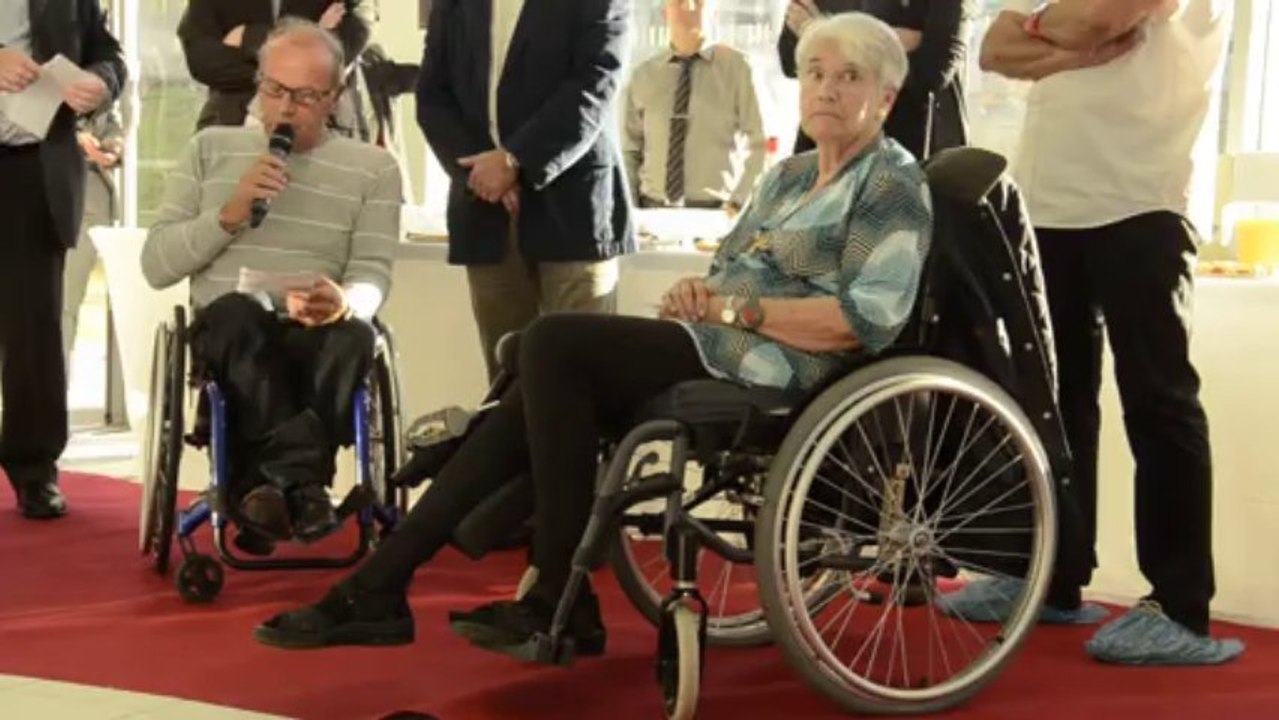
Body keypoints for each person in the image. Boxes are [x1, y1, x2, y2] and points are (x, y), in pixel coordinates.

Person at [252, 13, 931, 657]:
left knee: (549, 345)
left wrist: (733, 313)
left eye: (848, 77)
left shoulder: (891, 184)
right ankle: (410, 586)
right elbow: (729, 270)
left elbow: (865, 319)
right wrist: (703, 294)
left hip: (784, 366)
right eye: (815, 72)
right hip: (718, 343)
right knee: (535, 365)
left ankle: (504, 591)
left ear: (887, 95)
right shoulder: (787, 176)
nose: (826, 89)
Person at [939, 0, 1244, 666]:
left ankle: (1179, 606)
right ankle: (1051, 576)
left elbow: (1102, 18)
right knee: (1053, 401)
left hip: (1140, 198)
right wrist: (1071, 37)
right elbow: (993, 49)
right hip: (1047, 202)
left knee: (1158, 403)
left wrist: (1049, 32)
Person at [141, 19, 402, 555]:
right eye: (275, 90)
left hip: (317, 328)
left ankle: (266, 490)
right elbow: (157, 266)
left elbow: (373, 273)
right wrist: (229, 215)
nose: (285, 109)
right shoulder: (209, 148)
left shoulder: (373, 168)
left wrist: (346, 300)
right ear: (258, 83)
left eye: (305, 96)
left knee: (356, 334)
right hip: (231, 332)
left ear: (335, 96)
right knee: (239, 311)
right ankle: (303, 487)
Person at [416, 0, 634, 383]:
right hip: (485, 209)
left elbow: (596, 80)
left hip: (574, 208)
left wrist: (517, 161)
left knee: (585, 375)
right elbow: (433, 95)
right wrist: (483, 173)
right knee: (506, 378)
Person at [0, 0, 126, 520]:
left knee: (35, 325)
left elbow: (108, 54)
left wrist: (101, 81)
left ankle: (34, 468)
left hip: (33, 169)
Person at [622, 0, 766, 215]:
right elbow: (630, 150)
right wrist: (630, 208)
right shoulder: (644, 75)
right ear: (665, 12)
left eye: (699, 2)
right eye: (679, 1)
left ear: (714, 11)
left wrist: (738, 202)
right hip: (651, 212)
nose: (689, 8)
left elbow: (762, 146)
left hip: (716, 213)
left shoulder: (739, 70)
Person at [779, 0, 974, 159]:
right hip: (823, 146)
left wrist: (818, 32)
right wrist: (890, 43)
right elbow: (789, 60)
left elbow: (932, 72)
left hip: (906, 145)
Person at [178, 0, 373, 130]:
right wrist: (314, 34)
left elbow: (346, 44)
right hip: (229, 124)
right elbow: (202, 61)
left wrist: (250, 36)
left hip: (318, 130)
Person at [63, 105, 125, 365]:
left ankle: (51, 398)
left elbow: (109, 120)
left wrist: (114, 144)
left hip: (90, 195)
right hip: (29, 189)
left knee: (65, 306)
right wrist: (67, 137)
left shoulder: (98, 69)